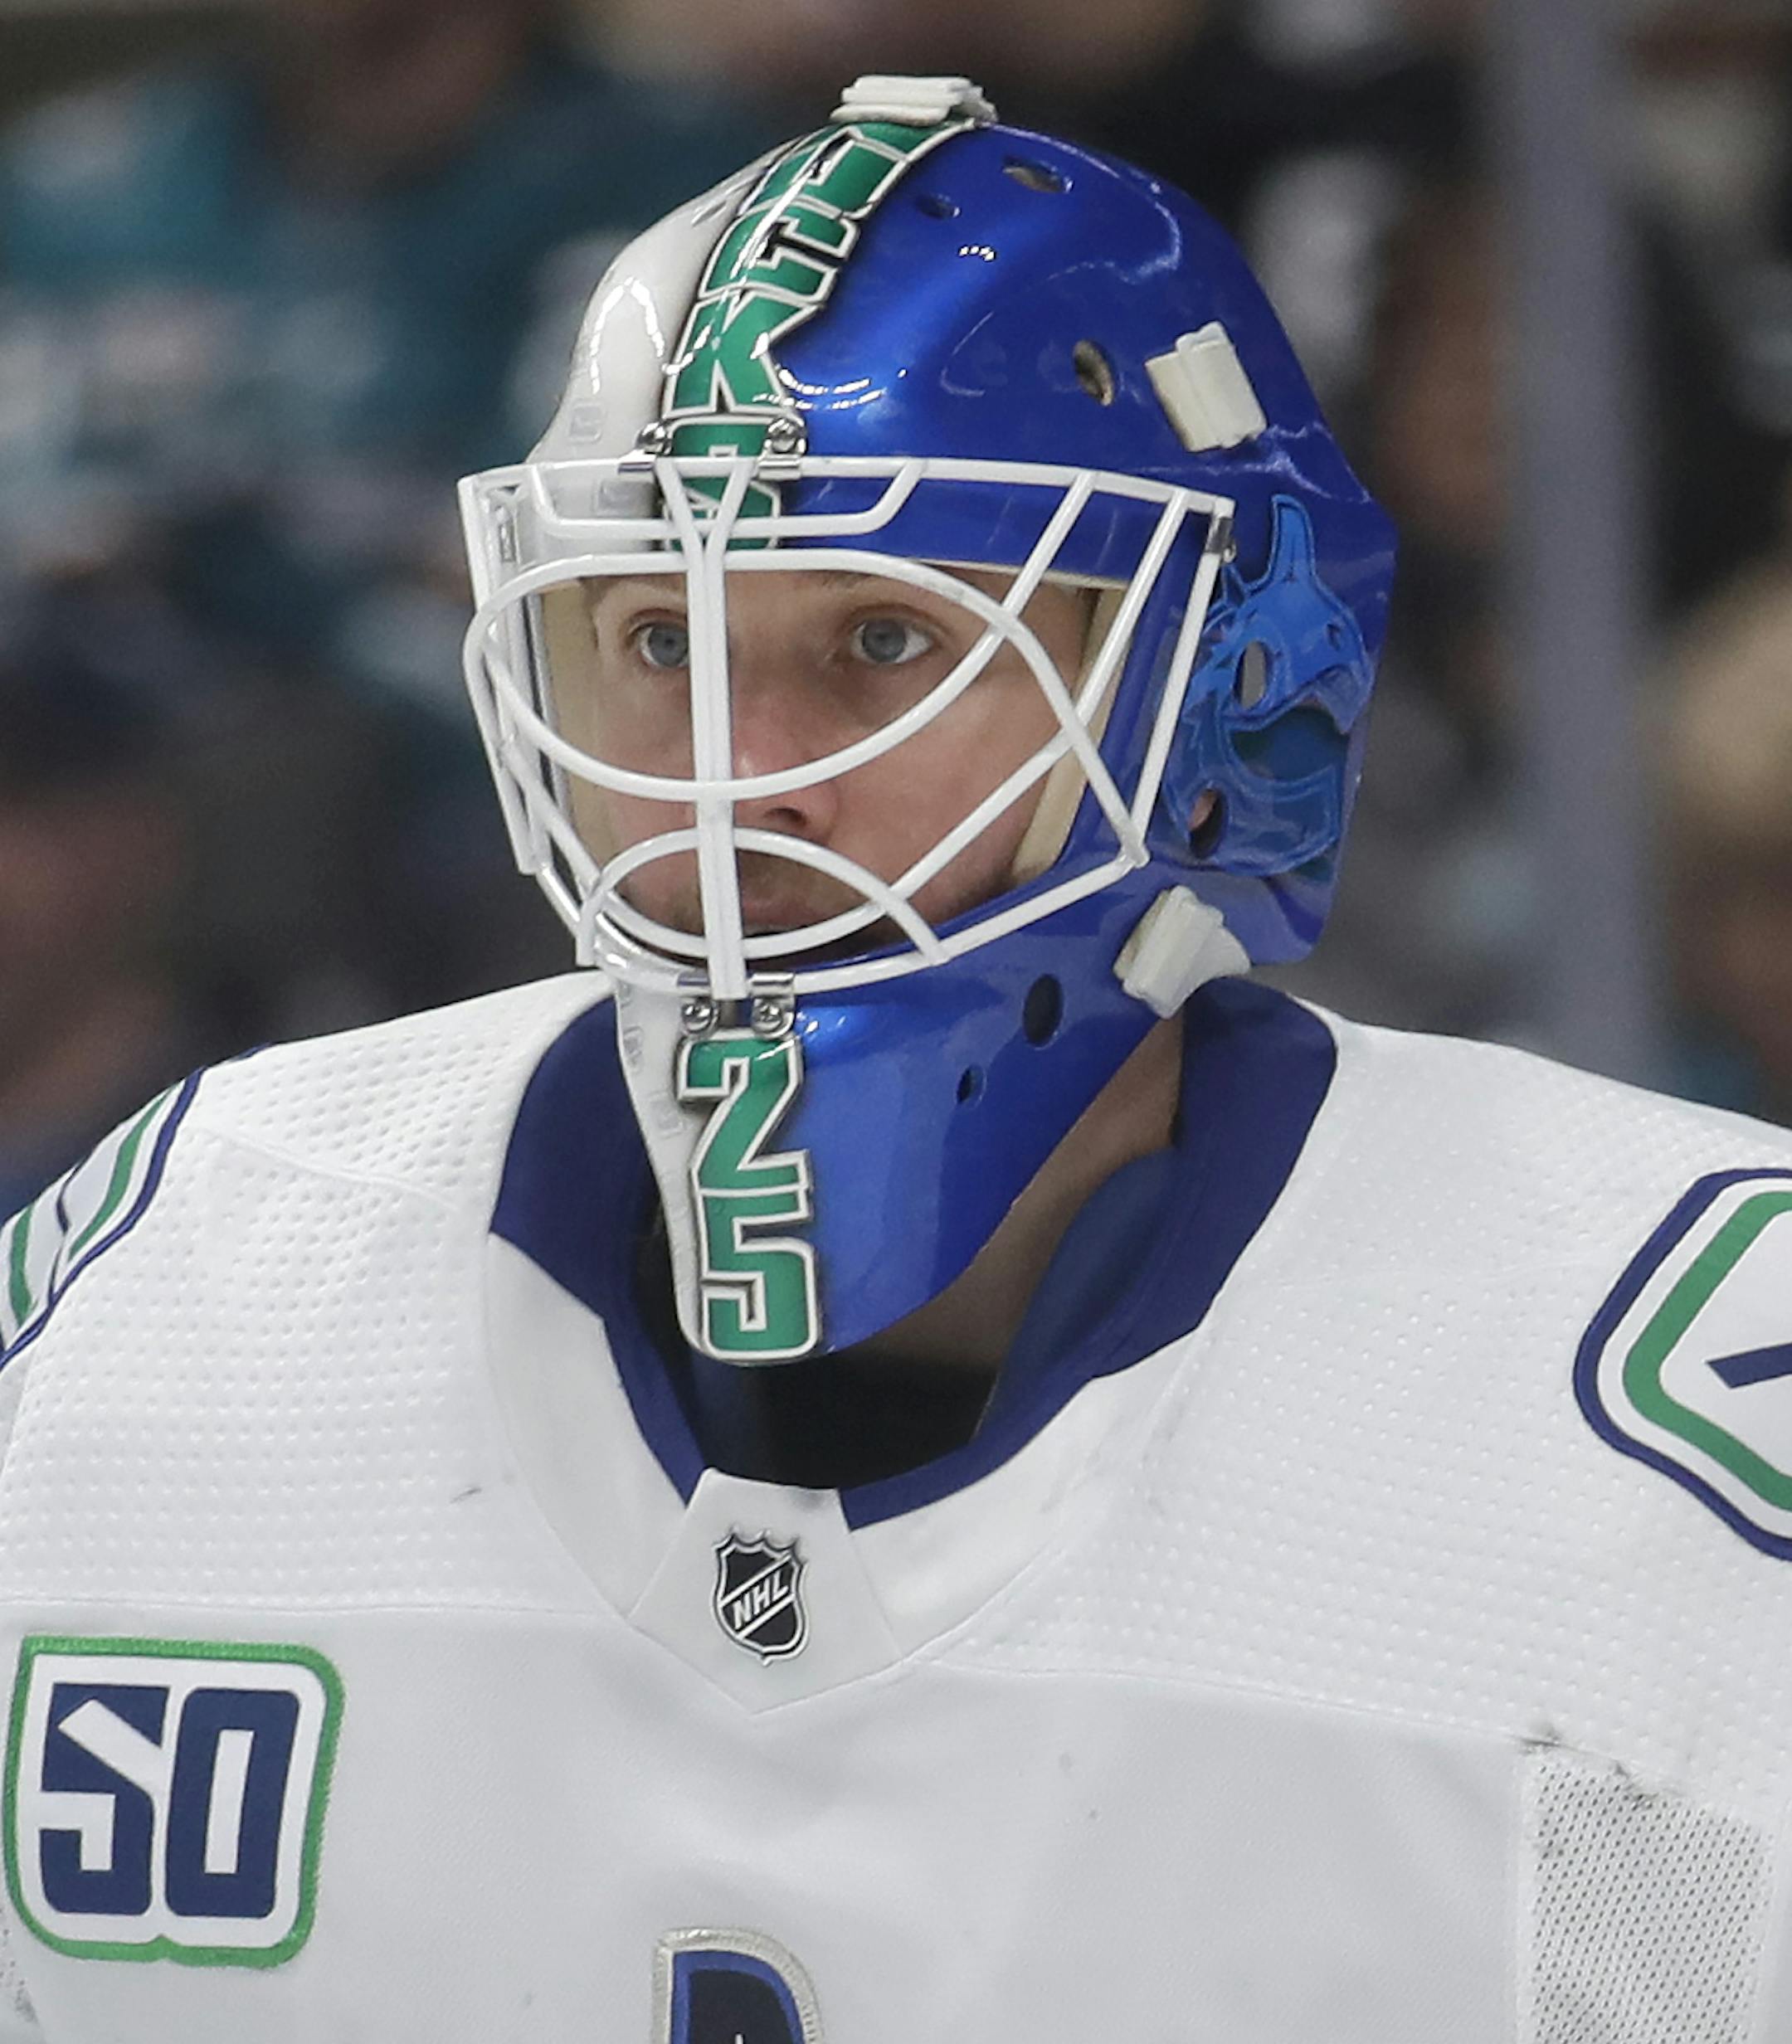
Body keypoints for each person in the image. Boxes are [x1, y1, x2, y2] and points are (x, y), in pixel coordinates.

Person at [2, 74, 1792, 2044]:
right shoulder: (152, 1307)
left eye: (884, 641)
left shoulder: (1675, 1436)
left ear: (1223, 704)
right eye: (660, 642)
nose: (736, 787)